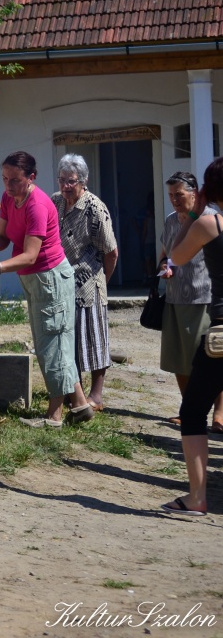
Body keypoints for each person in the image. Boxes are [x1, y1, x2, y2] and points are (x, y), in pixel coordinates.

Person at [0, 152, 95, 428]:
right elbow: (2, 238)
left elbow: (30, 256)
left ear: (31, 177)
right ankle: (80, 405)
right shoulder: (9, 198)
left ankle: (54, 417)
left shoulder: (37, 205)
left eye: (15, 180)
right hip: (35, 279)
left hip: (50, 278)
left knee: (52, 345)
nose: (8, 185)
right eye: (4, 179)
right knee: (57, 342)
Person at [158, 156, 223, 517]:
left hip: (221, 329)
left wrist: (196, 213)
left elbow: (176, 256)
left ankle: (197, 497)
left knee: (193, 411)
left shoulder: (210, 224)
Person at [51, 154, 118, 411]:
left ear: (84, 180)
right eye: (62, 180)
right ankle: (73, 391)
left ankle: (96, 396)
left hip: (89, 282)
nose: (66, 186)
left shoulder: (95, 208)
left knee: (93, 339)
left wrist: (102, 282)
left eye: (72, 181)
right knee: (69, 340)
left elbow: (111, 252)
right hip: (62, 280)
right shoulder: (56, 202)